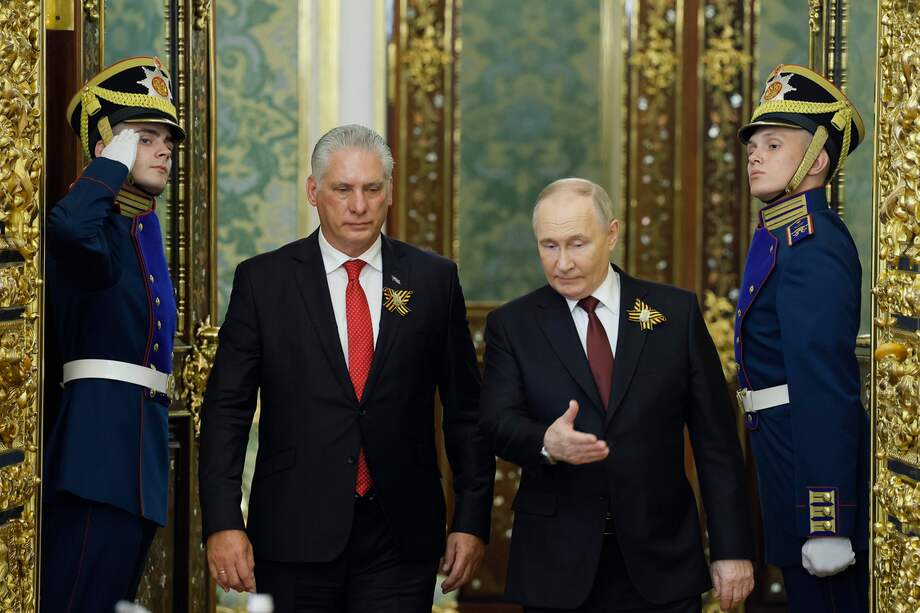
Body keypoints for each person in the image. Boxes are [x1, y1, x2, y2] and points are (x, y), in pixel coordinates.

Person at [199, 124, 495, 611]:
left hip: (401, 537)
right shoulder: (263, 281)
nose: (359, 205)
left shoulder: (434, 280)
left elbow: (466, 412)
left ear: (390, 193)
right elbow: (226, 411)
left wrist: (471, 518)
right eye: (343, 189)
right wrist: (224, 522)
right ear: (314, 192)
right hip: (293, 533)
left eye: (372, 189)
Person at [479, 178, 755, 612]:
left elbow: (716, 444)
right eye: (548, 246)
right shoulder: (512, 325)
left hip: (661, 562)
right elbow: (495, 421)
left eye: (577, 244)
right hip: (557, 564)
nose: (563, 263)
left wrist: (732, 549)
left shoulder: (675, 314)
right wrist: (546, 443)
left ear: (612, 235)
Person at [42, 56, 184, 611]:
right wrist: (109, 168)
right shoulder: (94, 230)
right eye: (145, 138)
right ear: (108, 148)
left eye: (167, 138)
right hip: (94, 458)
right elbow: (71, 228)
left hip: (137, 460)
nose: (165, 149)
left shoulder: (140, 228)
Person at [735, 64, 870, 611]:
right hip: (782, 453)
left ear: (815, 162)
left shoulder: (812, 246)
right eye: (753, 145)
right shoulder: (780, 236)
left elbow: (823, 387)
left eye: (773, 143)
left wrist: (827, 520)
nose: (755, 155)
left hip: (807, 466)